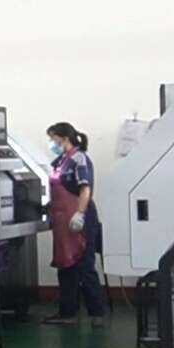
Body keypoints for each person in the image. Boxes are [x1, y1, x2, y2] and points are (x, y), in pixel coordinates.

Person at [43, 121, 107, 329]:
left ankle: (97, 313)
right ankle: (67, 312)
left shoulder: (79, 159)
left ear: (64, 138)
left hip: (79, 220)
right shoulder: (60, 161)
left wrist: (79, 214)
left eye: (53, 139)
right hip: (62, 223)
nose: (51, 143)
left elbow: (85, 189)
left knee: (84, 267)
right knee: (66, 267)